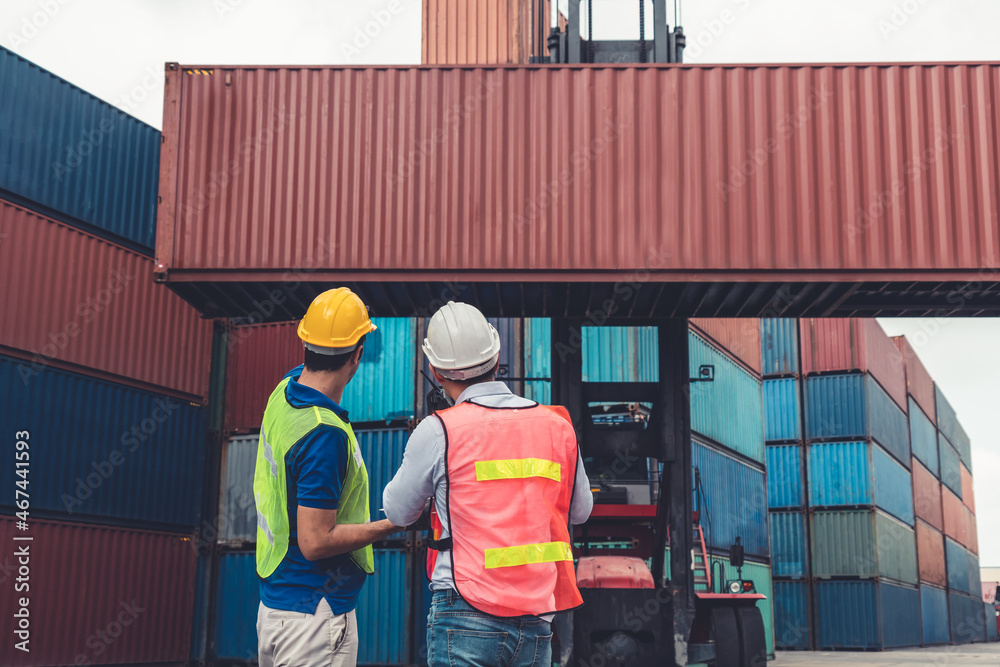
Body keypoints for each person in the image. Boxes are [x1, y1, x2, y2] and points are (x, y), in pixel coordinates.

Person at [383, 301, 594, 667]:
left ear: (434, 370)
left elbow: (399, 512)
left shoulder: (439, 430)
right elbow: (581, 511)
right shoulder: (557, 426)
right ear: (497, 360)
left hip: (465, 614)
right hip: (535, 619)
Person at [254, 287, 401, 667]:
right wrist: (392, 524)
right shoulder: (323, 433)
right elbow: (316, 541)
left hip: (276, 608)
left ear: (305, 343)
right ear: (358, 354)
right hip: (314, 619)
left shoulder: (284, 392)